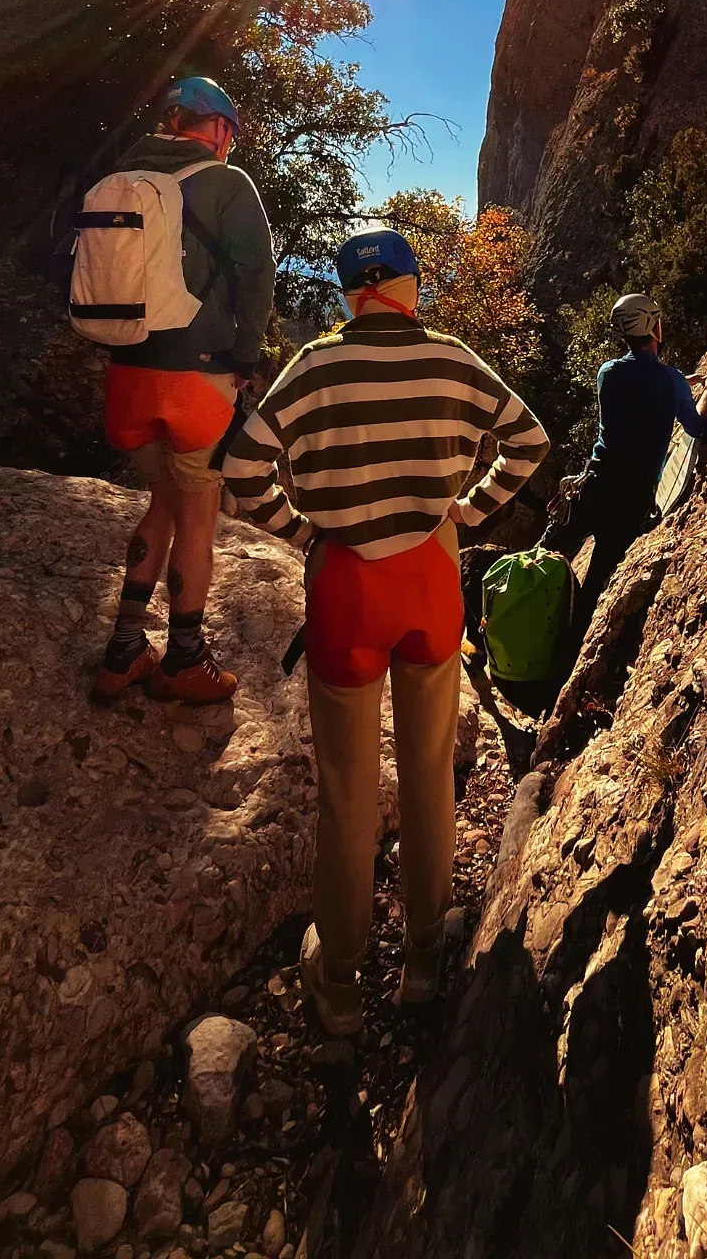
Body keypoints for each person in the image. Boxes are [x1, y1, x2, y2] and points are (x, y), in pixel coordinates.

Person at [220, 227, 549, 1034]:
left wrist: (306, 535)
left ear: (346, 294)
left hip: (345, 592)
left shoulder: (314, 367)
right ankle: (425, 959)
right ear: (409, 288)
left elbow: (241, 473)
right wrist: (464, 513)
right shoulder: (450, 358)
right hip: (430, 584)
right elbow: (530, 442)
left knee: (346, 794)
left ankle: (337, 985)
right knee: (430, 773)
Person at [93, 75, 276, 709]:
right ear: (217, 128)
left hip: (127, 377)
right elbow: (257, 278)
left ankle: (123, 649)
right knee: (199, 516)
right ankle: (185, 659)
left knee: (160, 502)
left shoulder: (123, 179)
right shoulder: (227, 183)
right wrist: (246, 359)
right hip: (196, 379)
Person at [542, 292, 707, 671]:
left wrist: (678, 383)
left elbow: (639, 392)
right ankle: (562, 665)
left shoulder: (607, 373)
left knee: (546, 556)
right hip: (631, 499)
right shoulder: (670, 381)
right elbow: (697, 427)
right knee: (595, 587)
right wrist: (704, 390)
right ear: (652, 325)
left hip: (594, 484)